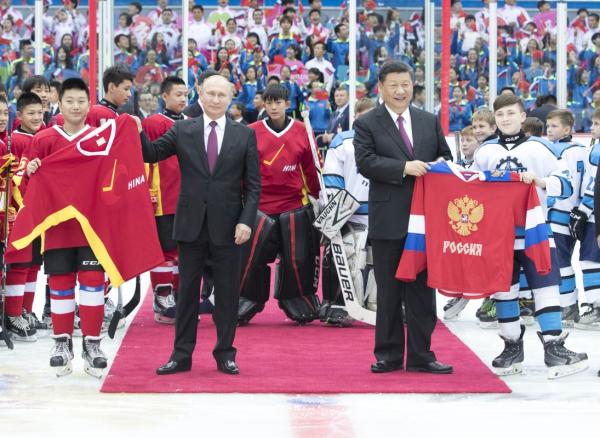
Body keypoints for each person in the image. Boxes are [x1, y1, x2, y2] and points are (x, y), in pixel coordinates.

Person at [138, 74, 261, 376]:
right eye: (211, 94)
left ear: (230, 98)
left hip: (230, 228)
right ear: (200, 95)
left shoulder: (244, 135)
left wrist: (246, 222)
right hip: (191, 225)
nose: (216, 100)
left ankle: (225, 354)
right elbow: (150, 154)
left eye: (222, 95)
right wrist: (137, 127)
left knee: (228, 295)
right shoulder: (182, 129)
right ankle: (181, 356)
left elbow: (254, 186)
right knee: (187, 295)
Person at [474, 93, 588, 379]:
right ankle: (512, 346)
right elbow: (471, 189)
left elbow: (563, 184)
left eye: (511, 113)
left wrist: (539, 182)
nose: (506, 119)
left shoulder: (540, 147)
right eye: (500, 115)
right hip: (499, 237)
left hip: (536, 231)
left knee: (545, 287)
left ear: (523, 116)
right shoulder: (485, 152)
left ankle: (554, 347)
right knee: (504, 290)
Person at [354, 61, 454, 374]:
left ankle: (423, 355)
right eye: (394, 85)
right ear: (381, 88)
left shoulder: (428, 120)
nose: (401, 91)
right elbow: (365, 162)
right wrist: (403, 168)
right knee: (389, 290)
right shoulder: (367, 123)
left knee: (423, 291)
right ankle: (388, 354)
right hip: (389, 219)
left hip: (426, 221)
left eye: (406, 84)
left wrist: (437, 166)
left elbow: (445, 159)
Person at [26, 78, 108, 378]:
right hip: (57, 227)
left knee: (92, 282)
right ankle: (61, 342)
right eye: (69, 101)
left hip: (91, 228)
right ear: (59, 104)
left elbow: (114, 177)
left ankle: (92, 343)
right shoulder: (44, 139)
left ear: (90, 104)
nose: (75, 106)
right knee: (60, 285)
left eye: (81, 101)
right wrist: (31, 172)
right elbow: (28, 181)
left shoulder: (100, 138)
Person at [237, 84, 321, 325]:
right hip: (259, 205)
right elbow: (241, 171)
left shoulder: (303, 130)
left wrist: (319, 196)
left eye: (278, 102)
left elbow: (311, 169)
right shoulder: (250, 131)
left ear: (288, 104)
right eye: (269, 102)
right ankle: (246, 297)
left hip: (293, 203)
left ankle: (296, 297)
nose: (273, 107)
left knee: (299, 257)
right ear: (264, 104)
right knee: (249, 258)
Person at [320, 98, 376, 326]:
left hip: (381, 213)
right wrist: (335, 216)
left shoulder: (390, 140)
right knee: (341, 255)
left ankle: (381, 303)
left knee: (380, 263)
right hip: (350, 214)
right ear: (356, 118)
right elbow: (332, 180)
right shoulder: (343, 141)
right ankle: (337, 303)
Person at [142, 77, 188, 324]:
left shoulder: (192, 123)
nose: (182, 99)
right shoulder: (154, 123)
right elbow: (145, 158)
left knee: (183, 251)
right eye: (178, 94)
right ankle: (163, 297)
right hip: (162, 197)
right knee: (166, 251)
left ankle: (179, 298)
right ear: (165, 96)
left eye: (185, 95)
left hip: (187, 198)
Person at [544, 110, 588, 326]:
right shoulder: (583, 150)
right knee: (563, 259)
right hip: (577, 213)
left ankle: (569, 305)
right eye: (548, 126)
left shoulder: (556, 151)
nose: (548, 130)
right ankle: (569, 303)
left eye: (553, 126)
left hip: (560, 213)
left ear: (567, 129)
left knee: (560, 261)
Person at [441, 125, 479, 321]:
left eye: (469, 140)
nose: (464, 144)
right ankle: (459, 292)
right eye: (462, 140)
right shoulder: (460, 165)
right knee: (459, 257)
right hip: (461, 222)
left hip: (479, 222)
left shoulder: (482, 165)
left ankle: (489, 299)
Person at [572, 108, 600, 335]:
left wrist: (582, 211)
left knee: (589, 260)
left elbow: (594, 186)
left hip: (594, 216)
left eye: (597, 124)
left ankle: (595, 305)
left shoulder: (597, 151)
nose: (593, 128)